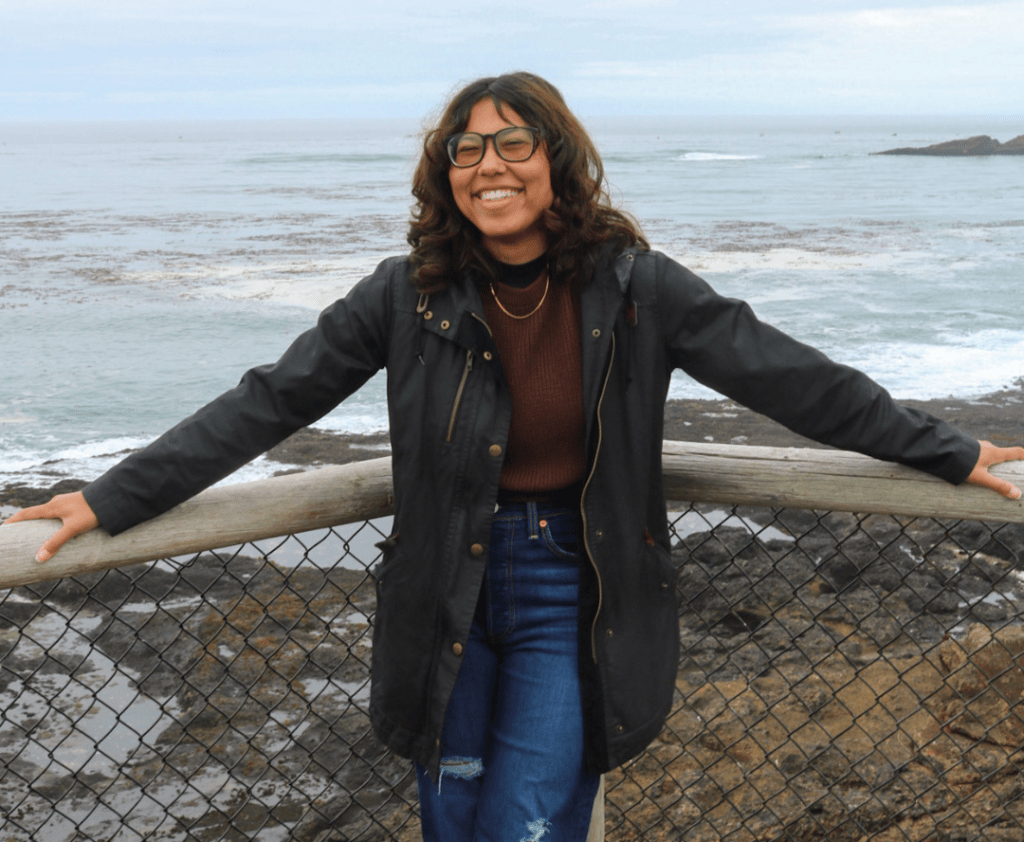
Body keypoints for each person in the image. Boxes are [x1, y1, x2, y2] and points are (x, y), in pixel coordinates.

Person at [6, 71, 1023, 842]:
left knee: (522, 821)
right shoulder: (405, 293)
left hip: (569, 594)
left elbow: (791, 378)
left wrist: (944, 450)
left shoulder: (636, 286)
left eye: (511, 143)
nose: (488, 164)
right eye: (464, 151)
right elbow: (269, 400)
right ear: (444, 177)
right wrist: (107, 498)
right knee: (452, 815)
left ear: (556, 161)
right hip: (443, 588)